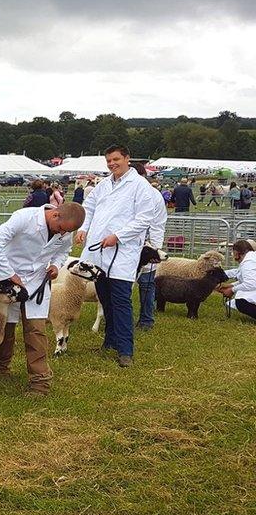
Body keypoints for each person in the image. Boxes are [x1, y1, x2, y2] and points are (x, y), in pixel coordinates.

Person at [75, 145, 156, 367]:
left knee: (121, 301)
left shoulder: (140, 186)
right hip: (99, 252)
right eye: (109, 160)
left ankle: (125, 350)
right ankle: (109, 341)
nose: (112, 164)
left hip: (122, 252)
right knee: (105, 298)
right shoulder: (104, 184)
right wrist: (83, 227)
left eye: (116, 159)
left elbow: (144, 218)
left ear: (127, 159)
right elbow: (89, 207)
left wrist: (118, 236)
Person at [0, 202, 86, 395]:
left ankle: (40, 382)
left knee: (36, 330)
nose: (62, 234)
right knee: (5, 326)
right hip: (9, 280)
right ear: (55, 215)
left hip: (37, 282)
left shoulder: (64, 231)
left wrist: (56, 265)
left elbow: (63, 251)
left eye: (66, 232)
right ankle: (1, 368)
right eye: (61, 229)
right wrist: (9, 273)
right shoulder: (24, 218)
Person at [133, 164, 168, 330]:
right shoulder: (125, 192)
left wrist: (154, 248)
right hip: (124, 244)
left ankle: (146, 320)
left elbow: (158, 224)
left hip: (147, 246)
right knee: (119, 285)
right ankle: (115, 317)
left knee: (146, 284)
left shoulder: (154, 195)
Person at [219, 240, 256, 321]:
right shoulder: (251, 258)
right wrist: (231, 285)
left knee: (241, 302)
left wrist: (232, 290)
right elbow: (244, 277)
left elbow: (251, 283)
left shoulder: (248, 262)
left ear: (236, 252)